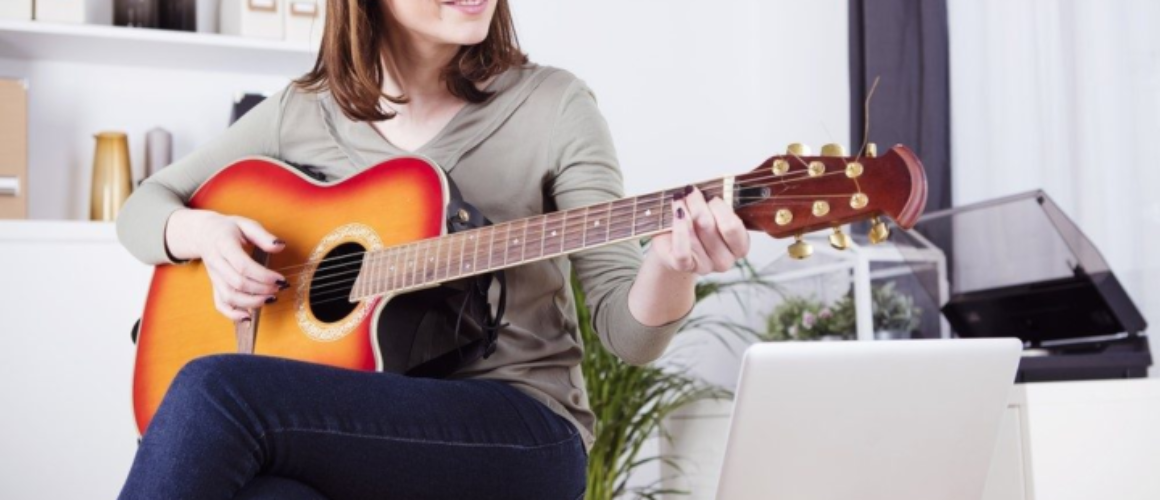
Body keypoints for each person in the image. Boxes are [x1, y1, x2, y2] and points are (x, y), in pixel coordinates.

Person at [115, 0, 749, 498]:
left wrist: (671, 264)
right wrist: (206, 234)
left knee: (217, 391)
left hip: (520, 428)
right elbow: (143, 209)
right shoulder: (307, 111)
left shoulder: (555, 106)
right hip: (365, 420)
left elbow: (628, 336)